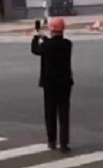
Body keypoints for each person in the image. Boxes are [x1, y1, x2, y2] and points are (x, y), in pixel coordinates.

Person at [31, 17, 73, 153]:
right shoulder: (67, 44)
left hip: (49, 84)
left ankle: (52, 140)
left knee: (50, 113)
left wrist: (37, 35)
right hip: (65, 83)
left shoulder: (47, 46)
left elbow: (35, 50)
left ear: (52, 30)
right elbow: (53, 43)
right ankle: (64, 143)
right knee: (64, 113)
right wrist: (44, 37)